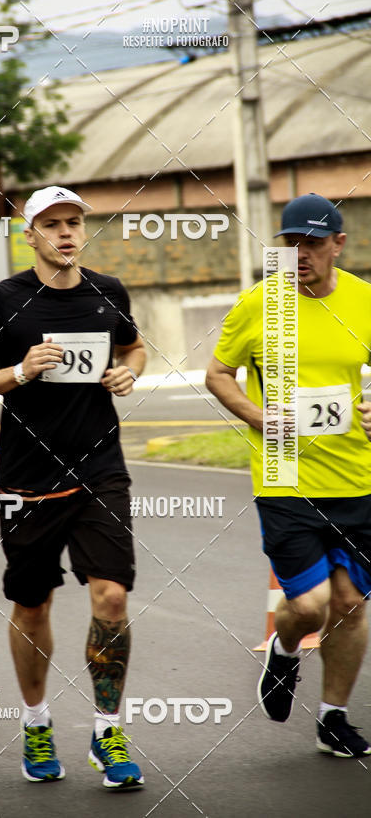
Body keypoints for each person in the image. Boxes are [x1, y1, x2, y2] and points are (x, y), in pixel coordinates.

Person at [0, 186, 147, 788]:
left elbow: (134, 347)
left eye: (74, 222)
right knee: (32, 604)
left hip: (100, 470)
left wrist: (126, 374)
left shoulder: (107, 292)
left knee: (111, 597)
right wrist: (18, 372)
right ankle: (36, 722)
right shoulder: (1, 300)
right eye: (51, 224)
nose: (65, 233)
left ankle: (108, 732)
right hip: (28, 482)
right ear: (28, 234)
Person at [206, 193, 371, 758]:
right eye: (291, 243)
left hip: (358, 480)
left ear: (338, 246)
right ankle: (284, 648)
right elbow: (218, 374)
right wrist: (257, 415)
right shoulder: (260, 304)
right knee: (310, 605)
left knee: (350, 603)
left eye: (314, 243)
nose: (301, 254)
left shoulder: (365, 302)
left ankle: (333, 718)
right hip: (284, 476)